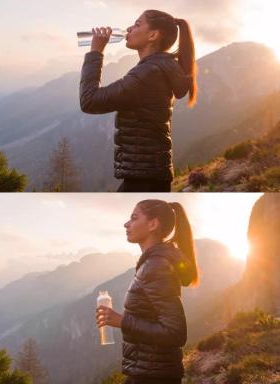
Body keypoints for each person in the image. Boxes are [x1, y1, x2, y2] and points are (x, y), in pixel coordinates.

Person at [80, 10, 197, 192]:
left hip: (143, 176)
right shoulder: (157, 69)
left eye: (137, 24)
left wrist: (95, 52)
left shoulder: (147, 74)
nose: (128, 28)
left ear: (152, 35)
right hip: (150, 173)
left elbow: (89, 101)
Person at [96, 199, 199, 384]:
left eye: (134, 218)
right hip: (148, 371)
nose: (126, 224)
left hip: (153, 376)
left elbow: (176, 333)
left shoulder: (156, 266)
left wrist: (122, 321)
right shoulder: (154, 262)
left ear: (153, 224)